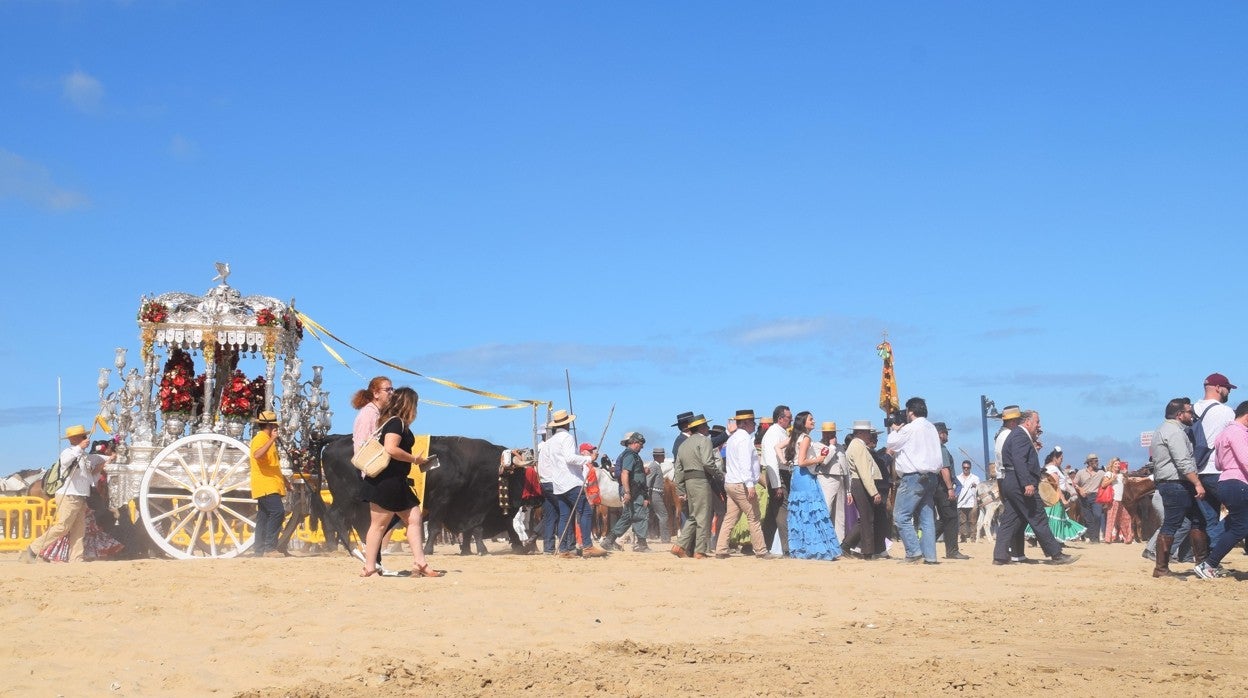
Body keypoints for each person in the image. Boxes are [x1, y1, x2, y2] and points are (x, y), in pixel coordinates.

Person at [358, 387, 444, 577]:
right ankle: (370, 567)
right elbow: (391, 448)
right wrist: (415, 459)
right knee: (379, 525)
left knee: (413, 518)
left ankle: (419, 563)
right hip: (387, 481)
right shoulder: (396, 423)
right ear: (409, 404)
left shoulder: (393, 422)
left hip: (393, 481)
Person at [992, 409, 1077, 565]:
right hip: (1020, 484)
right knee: (1038, 517)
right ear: (1027, 422)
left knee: (1010, 520)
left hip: (1011, 482)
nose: (1039, 425)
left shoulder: (1016, 435)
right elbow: (1019, 460)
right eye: (1037, 422)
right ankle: (1056, 554)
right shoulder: (1020, 436)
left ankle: (1000, 556)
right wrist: (1027, 483)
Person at [22, 426, 115, 564]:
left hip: (80, 496)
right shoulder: (68, 452)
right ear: (74, 439)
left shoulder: (84, 456)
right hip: (69, 496)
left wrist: (110, 459)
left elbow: (94, 468)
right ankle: (32, 549)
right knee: (62, 527)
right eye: (83, 437)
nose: (86, 439)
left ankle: (76, 558)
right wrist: (79, 448)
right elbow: (65, 462)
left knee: (79, 530)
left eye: (85, 436)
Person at [1148, 397, 1208, 578]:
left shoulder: (1165, 429)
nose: (1193, 415)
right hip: (1176, 483)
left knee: (1196, 521)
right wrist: (1197, 483)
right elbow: (1183, 462)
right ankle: (1161, 568)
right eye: (1190, 412)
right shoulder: (1174, 432)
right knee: (1173, 523)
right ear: (1180, 414)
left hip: (1174, 483)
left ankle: (1201, 564)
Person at [538, 409, 604, 559]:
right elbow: (569, 458)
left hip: (558, 484)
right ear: (567, 424)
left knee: (564, 516)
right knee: (586, 511)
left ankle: (563, 549)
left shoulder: (549, 442)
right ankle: (587, 546)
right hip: (571, 482)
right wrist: (588, 459)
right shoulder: (567, 437)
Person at [886, 396, 943, 564]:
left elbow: (891, 443)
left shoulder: (910, 428)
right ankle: (930, 556)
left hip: (913, 477)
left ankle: (913, 551)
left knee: (900, 515)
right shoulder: (932, 427)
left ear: (910, 412)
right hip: (931, 476)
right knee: (926, 518)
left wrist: (896, 428)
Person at [1196, 400, 1248, 579]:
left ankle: (1209, 563)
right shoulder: (1238, 433)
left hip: (1226, 481)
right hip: (1239, 483)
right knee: (1240, 528)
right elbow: (1245, 460)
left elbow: (1218, 463)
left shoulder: (1223, 433)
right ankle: (1209, 564)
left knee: (1236, 524)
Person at [714, 409, 770, 559]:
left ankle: (721, 549)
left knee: (730, 517)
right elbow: (746, 464)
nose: (754, 424)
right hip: (741, 483)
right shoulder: (745, 439)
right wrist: (750, 485)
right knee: (754, 517)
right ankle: (761, 550)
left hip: (731, 483)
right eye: (752, 421)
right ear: (745, 423)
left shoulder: (732, 438)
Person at [1192, 373, 1236, 553]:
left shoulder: (1192, 409)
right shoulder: (1225, 411)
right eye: (1227, 388)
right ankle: (1213, 547)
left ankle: (1210, 560)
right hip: (1217, 469)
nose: (1228, 392)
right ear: (1218, 388)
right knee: (1241, 511)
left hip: (1195, 472)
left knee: (1210, 519)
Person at [671, 414, 723, 559]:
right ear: (700, 427)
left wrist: (680, 489)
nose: (708, 428)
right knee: (703, 516)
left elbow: (678, 469)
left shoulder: (683, 444)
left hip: (688, 482)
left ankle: (679, 545)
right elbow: (707, 462)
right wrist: (719, 475)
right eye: (706, 426)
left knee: (694, 516)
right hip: (701, 480)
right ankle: (699, 551)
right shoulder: (704, 440)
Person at [842, 421, 886, 559]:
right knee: (867, 518)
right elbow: (864, 472)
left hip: (859, 482)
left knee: (865, 518)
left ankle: (847, 545)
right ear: (860, 433)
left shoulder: (857, 446)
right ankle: (867, 552)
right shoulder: (858, 447)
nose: (870, 436)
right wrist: (874, 492)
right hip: (861, 483)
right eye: (868, 433)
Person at [250, 410, 289, 558]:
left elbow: (272, 464)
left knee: (264, 516)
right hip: (266, 484)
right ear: (270, 425)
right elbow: (257, 455)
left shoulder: (266, 439)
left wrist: (285, 480)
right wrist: (272, 439)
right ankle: (269, 548)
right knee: (277, 512)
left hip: (270, 482)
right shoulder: (261, 438)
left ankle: (259, 549)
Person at [603, 432, 650, 553]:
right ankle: (642, 544)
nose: (642, 447)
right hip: (634, 491)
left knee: (628, 517)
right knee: (640, 516)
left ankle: (609, 540)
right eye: (641, 444)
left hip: (634, 490)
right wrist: (628, 492)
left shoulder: (631, 455)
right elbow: (625, 473)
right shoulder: (630, 455)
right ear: (634, 443)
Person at [1027, 449, 1086, 543]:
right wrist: (1063, 499)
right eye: (1061, 458)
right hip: (1055, 497)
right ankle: (1055, 540)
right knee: (1055, 519)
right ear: (1055, 458)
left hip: (1049, 497)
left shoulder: (1050, 468)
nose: (1062, 460)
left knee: (1049, 518)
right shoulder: (1053, 469)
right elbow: (1056, 486)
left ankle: (1036, 538)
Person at [760, 405, 793, 555]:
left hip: (779, 473)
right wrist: (777, 484)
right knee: (781, 510)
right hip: (777, 473)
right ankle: (786, 548)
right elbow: (772, 461)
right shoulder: (773, 433)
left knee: (773, 514)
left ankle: (764, 545)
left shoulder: (779, 432)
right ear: (780, 419)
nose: (791, 420)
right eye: (788, 418)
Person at [934, 422, 969, 559]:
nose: (947, 435)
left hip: (937, 487)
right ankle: (952, 550)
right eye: (945, 432)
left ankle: (925, 543)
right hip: (943, 488)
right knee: (952, 518)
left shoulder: (931, 448)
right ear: (940, 434)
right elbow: (944, 469)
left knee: (944, 519)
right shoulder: (941, 448)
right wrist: (950, 488)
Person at [814, 421, 849, 541]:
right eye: (827, 433)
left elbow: (846, 468)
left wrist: (848, 489)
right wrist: (832, 447)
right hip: (826, 478)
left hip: (840, 479)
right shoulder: (817, 445)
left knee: (840, 513)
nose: (830, 436)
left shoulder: (841, 447)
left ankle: (839, 541)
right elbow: (823, 461)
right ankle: (822, 539)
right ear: (823, 434)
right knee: (826, 509)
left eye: (832, 433)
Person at [351, 376, 393, 451]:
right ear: (376, 394)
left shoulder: (377, 412)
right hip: (368, 461)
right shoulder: (369, 413)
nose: (392, 393)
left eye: (392, 389)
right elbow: (362, 443)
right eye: (387, 390)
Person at [1073, 454, 1106, 542]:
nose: (1097, 463)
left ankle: (1096, 538)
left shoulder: (1101, 473)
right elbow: (1074, 483)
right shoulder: (1080, 472)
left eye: (1097, 460)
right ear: (1089, 462)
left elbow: (1107, 481)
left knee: (1098, 515)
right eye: (1095, 461)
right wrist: (1080, 490)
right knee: (1088, 518)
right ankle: (1093, 538)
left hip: (1096, 496)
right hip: (1084, 497)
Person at [1102, 460, 1134, 543]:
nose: (1117, 465)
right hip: (1113, 499)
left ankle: (1128, 538)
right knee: (1111, 519)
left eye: (1119, 464)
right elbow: (1103, 484)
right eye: (1116, 464)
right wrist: (1112, 478)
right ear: (1112, 465)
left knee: (1126, 518)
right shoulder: (1109, 473)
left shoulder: (1121, 475)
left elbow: (1125, 483)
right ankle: (1108, 539)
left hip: (1120, 500)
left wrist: (1126, 476)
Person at [646, 447, 671, 544]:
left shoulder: (656, 466)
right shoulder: (654, 466)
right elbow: (648, 481)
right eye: (663, 455)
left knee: (650, 516)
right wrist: (647, 496)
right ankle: (665, 539)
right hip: (655, 494)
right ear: (658, 456)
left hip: (655, 494)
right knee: (663, 516)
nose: (664, 457)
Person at [956, 460, 980, 543]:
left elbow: (979, 490)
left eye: (967, 468)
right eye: (964, 467)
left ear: (970, 468)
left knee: (973, 521)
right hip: (961, 503)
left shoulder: (975, 478)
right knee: (962, 522)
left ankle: (973, 539)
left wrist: (975, 486)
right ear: (962, 468)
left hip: (972, 502)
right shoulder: (957, 478)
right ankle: (963, 539)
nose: (966, 469)